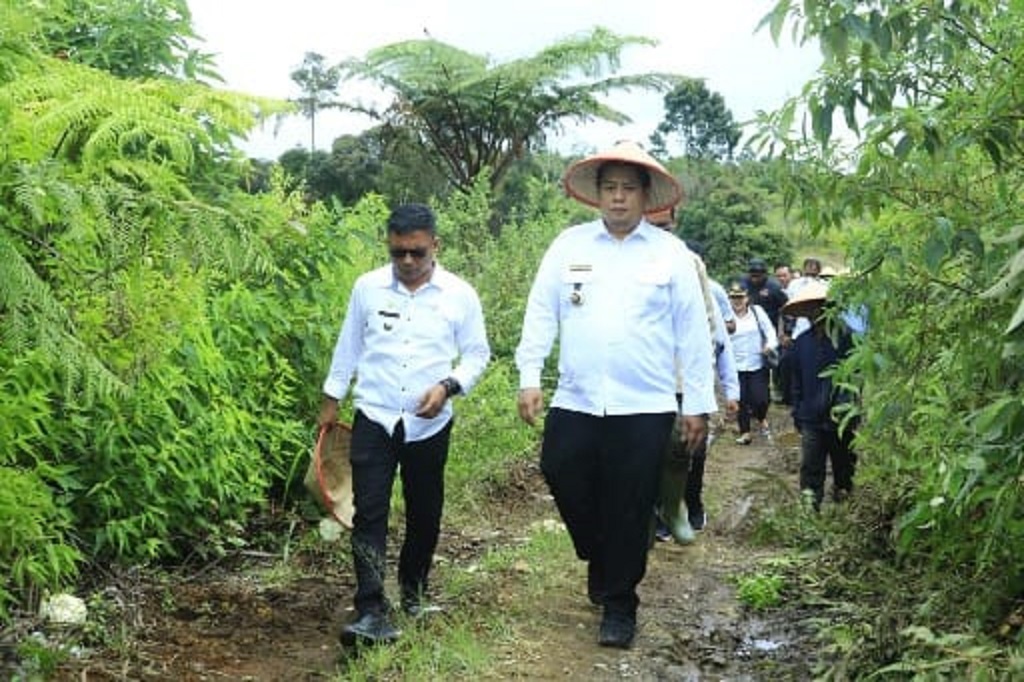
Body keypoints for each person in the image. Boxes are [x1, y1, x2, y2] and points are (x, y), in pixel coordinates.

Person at [516, 141, 716, 649]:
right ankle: (601, 554)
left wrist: (697, 402)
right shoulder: (569, 247)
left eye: (629, 188)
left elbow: (693, 333)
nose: (619, 198)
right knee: (559, 469)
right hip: (577, 398)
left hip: (645, 404)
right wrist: (529, 374)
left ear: (646, 197)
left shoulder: (670, 254)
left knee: (629, 501)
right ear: (597, 194)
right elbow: (542, 311)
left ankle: (621, 605)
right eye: (610, 188)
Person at [319, 203, 491, 646]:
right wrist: (331, 401)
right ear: (389, 248)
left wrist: (449, 386)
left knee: (424, 510)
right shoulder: (368, 289)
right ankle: (371, 608)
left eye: (417, 252)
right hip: (375, 415)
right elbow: (348, 347)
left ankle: (414, 590)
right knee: (369, 512)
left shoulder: (459, 295)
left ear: (435, 245)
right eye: (399, 254)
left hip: (428, 424)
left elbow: (477, 354)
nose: (408, 263)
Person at [783, 281, 858, 510]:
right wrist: (797, 409)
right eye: (811, 309)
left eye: (821, 307)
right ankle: (810, 507)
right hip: (810, 416)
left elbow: (856, 376)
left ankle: (843, 501)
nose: (815, 313)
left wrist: (849, 408)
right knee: (811, 465)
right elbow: (795, 381)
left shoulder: (847, 338)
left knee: (843, 462)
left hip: (840, 416)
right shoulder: (801, 343)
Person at [726, 282, 778, 444]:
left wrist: (769, 346)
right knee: (741, 399)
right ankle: (745, 432)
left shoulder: (757, 312)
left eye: (740, 297)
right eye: (734, 297)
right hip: (735, 366)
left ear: (747, 298)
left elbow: (770, 331)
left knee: (760, 399)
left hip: (757, 363)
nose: (737, 301)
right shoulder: (725, 317)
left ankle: (761, 417)